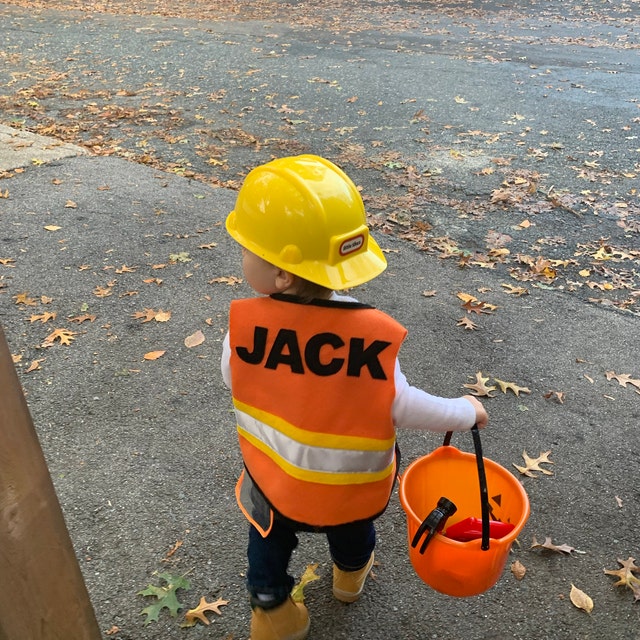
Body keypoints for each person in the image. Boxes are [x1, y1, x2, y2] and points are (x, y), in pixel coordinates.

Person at [220, 154, 488, 640]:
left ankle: (271, 613)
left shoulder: (245, 328)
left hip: (273, 476)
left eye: (247, 250)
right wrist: (465, 411)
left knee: (267, 542)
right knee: (352, 535)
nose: (241, 259)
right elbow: (403, 405)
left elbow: (231, 379)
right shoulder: (370, 337)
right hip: (349, 487)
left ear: (283, 274)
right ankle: (348, 579)